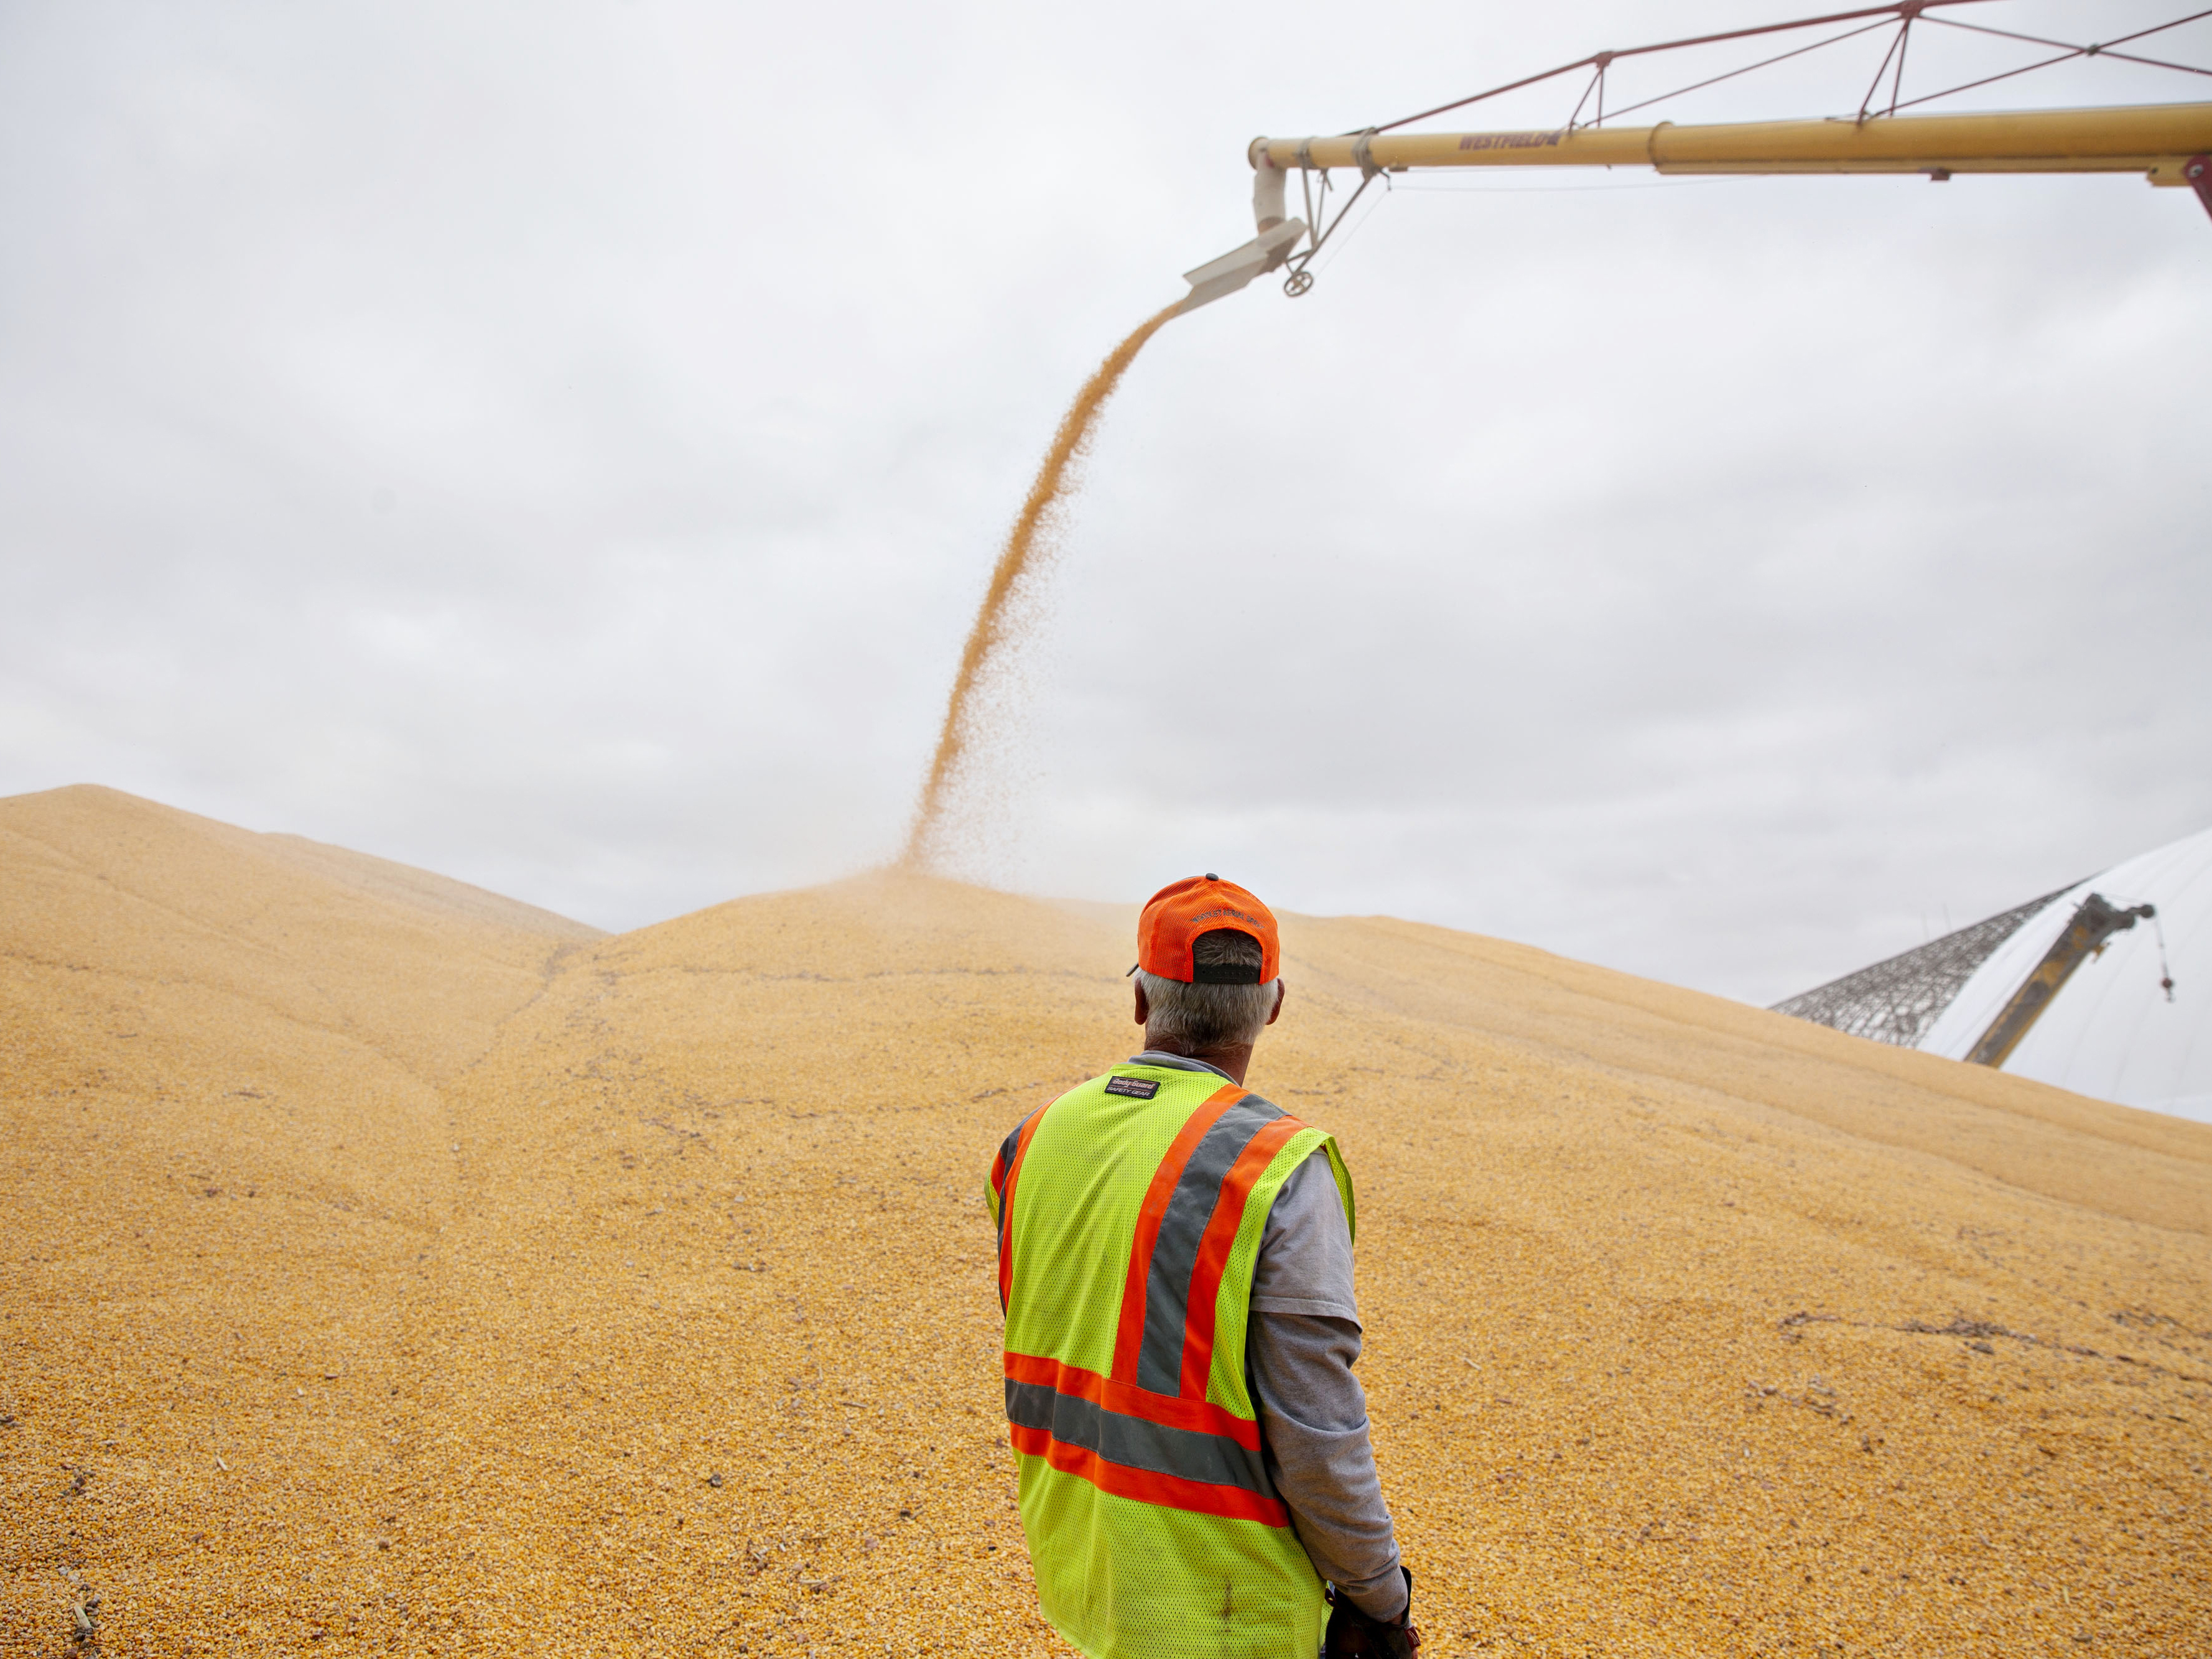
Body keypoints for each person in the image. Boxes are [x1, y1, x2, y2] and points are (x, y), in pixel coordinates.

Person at [987, 875, 1421, 1658]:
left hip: (1081, 1566)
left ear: (1140, 1001)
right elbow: (1316, 1426)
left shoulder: (1033, 1140)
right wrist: (1379, 1595)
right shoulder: (1276, 1166)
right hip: (1231, 1606)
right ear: (1274, 1006)